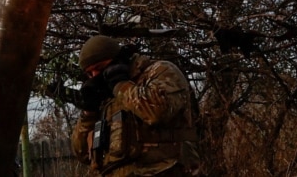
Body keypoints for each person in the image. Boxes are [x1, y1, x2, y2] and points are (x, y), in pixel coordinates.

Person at [71, 35, 201, 176]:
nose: (95, 76)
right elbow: (82, 154)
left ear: (117, 59)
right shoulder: (104, 99)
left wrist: (120, 86)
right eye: (89, 73)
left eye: (99, 68)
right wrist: (88, 113)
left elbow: (156, 112)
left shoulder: (159, 71)